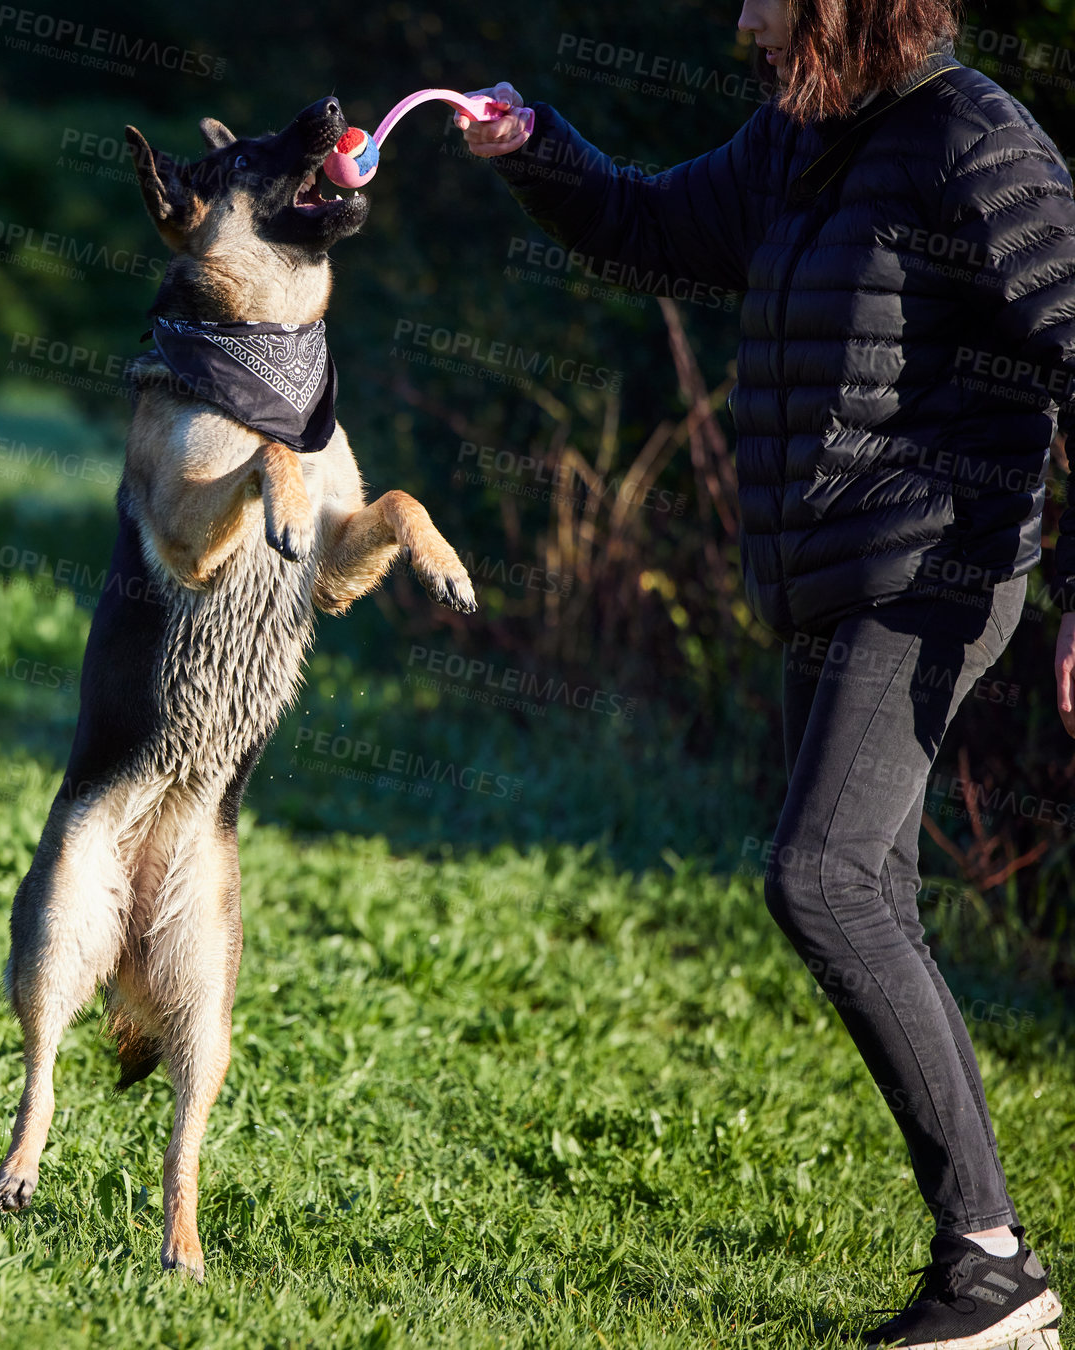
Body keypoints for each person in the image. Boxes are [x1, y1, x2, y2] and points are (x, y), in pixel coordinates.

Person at [459, 2, 1072, 1346]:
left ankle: (992, 1259)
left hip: (932, 571)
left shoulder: (980, 143)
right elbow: (648, 225)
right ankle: (989, 1264)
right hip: (824, 580)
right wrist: (533, 145)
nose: (743, 16)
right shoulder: (799, 139)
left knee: (822, 878)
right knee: (870, 892)